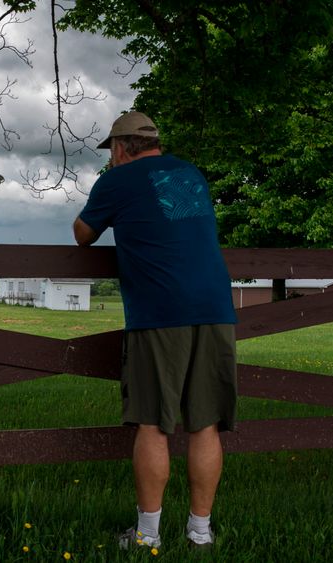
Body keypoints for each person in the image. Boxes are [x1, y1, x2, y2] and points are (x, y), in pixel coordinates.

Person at [73, 111, 237, 551]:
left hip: (162, 311)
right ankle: (200, 533)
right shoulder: (189, 174)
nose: (111, 158)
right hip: (217, 308)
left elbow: (82, 235)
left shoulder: (116, 180)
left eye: (112, 152)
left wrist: (109, 185)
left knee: (153, 424)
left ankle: (147, 536)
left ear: (122, 147)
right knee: (205, 424)